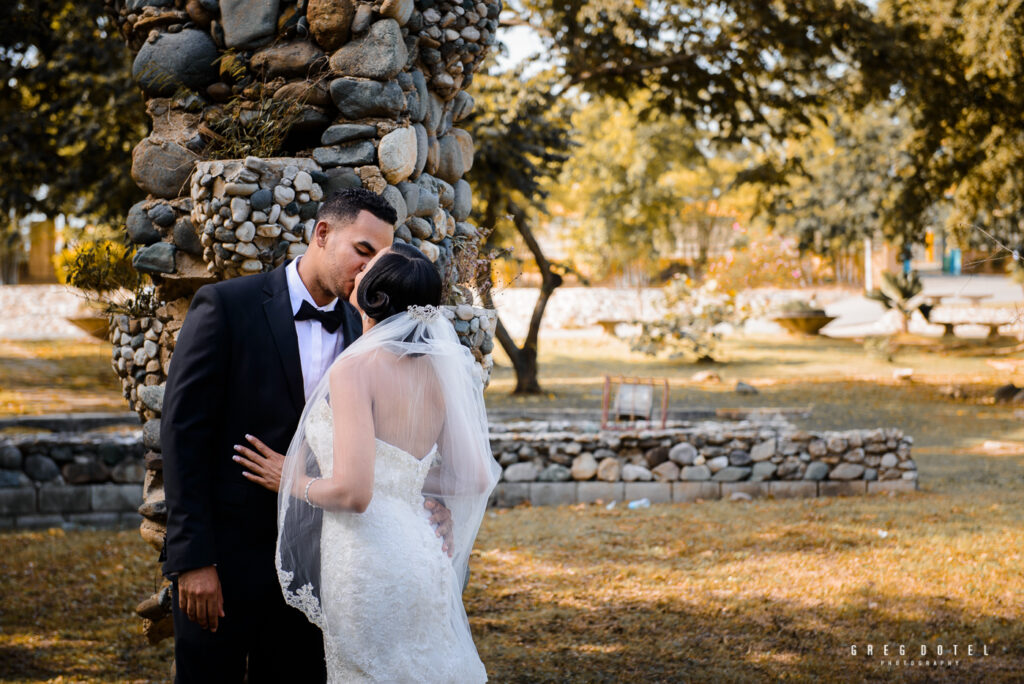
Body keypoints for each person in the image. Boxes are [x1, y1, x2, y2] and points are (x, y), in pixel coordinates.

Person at [161, 188, 451, 682]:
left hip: (324, 570)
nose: (368, 272)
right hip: (228, 559)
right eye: (362, 251)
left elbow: (395, 438)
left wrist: (427, 500)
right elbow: (182, 434)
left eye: (379, 259)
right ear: (321, 234)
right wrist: (192, 560)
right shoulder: (227, 306)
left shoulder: (370, 330)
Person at [235, 242, 501, 682]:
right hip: (421, 554)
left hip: (368, 562)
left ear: (372, 294)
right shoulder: (442, 370)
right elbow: (473, 476)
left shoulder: (355, 369)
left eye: (367, 268)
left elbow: (354, 493)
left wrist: (294, 480)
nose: (357, 271)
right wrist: (409, 483)